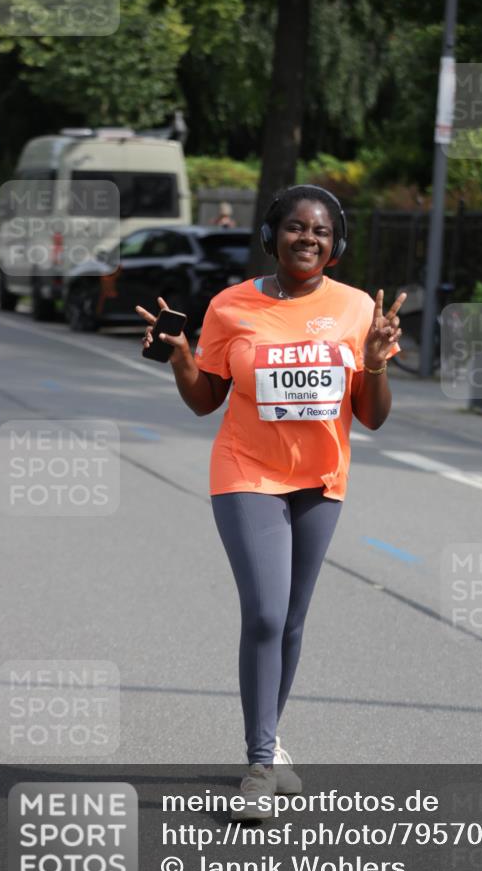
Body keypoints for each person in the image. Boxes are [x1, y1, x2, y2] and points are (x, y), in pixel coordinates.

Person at [136, 185, 405, 819]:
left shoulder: (358, 309)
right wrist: (181, 358)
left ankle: (270, 741)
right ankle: (259, 764)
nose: (306, 239)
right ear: (272, 236)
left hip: (321, 481)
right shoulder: (232, 306)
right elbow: (206, 400)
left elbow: (373, 417)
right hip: (246, 471)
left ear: (334, 246)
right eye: (294, 228)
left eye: (319, 232)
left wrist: (374, 363)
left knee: (290, 620)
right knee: (263, 611)